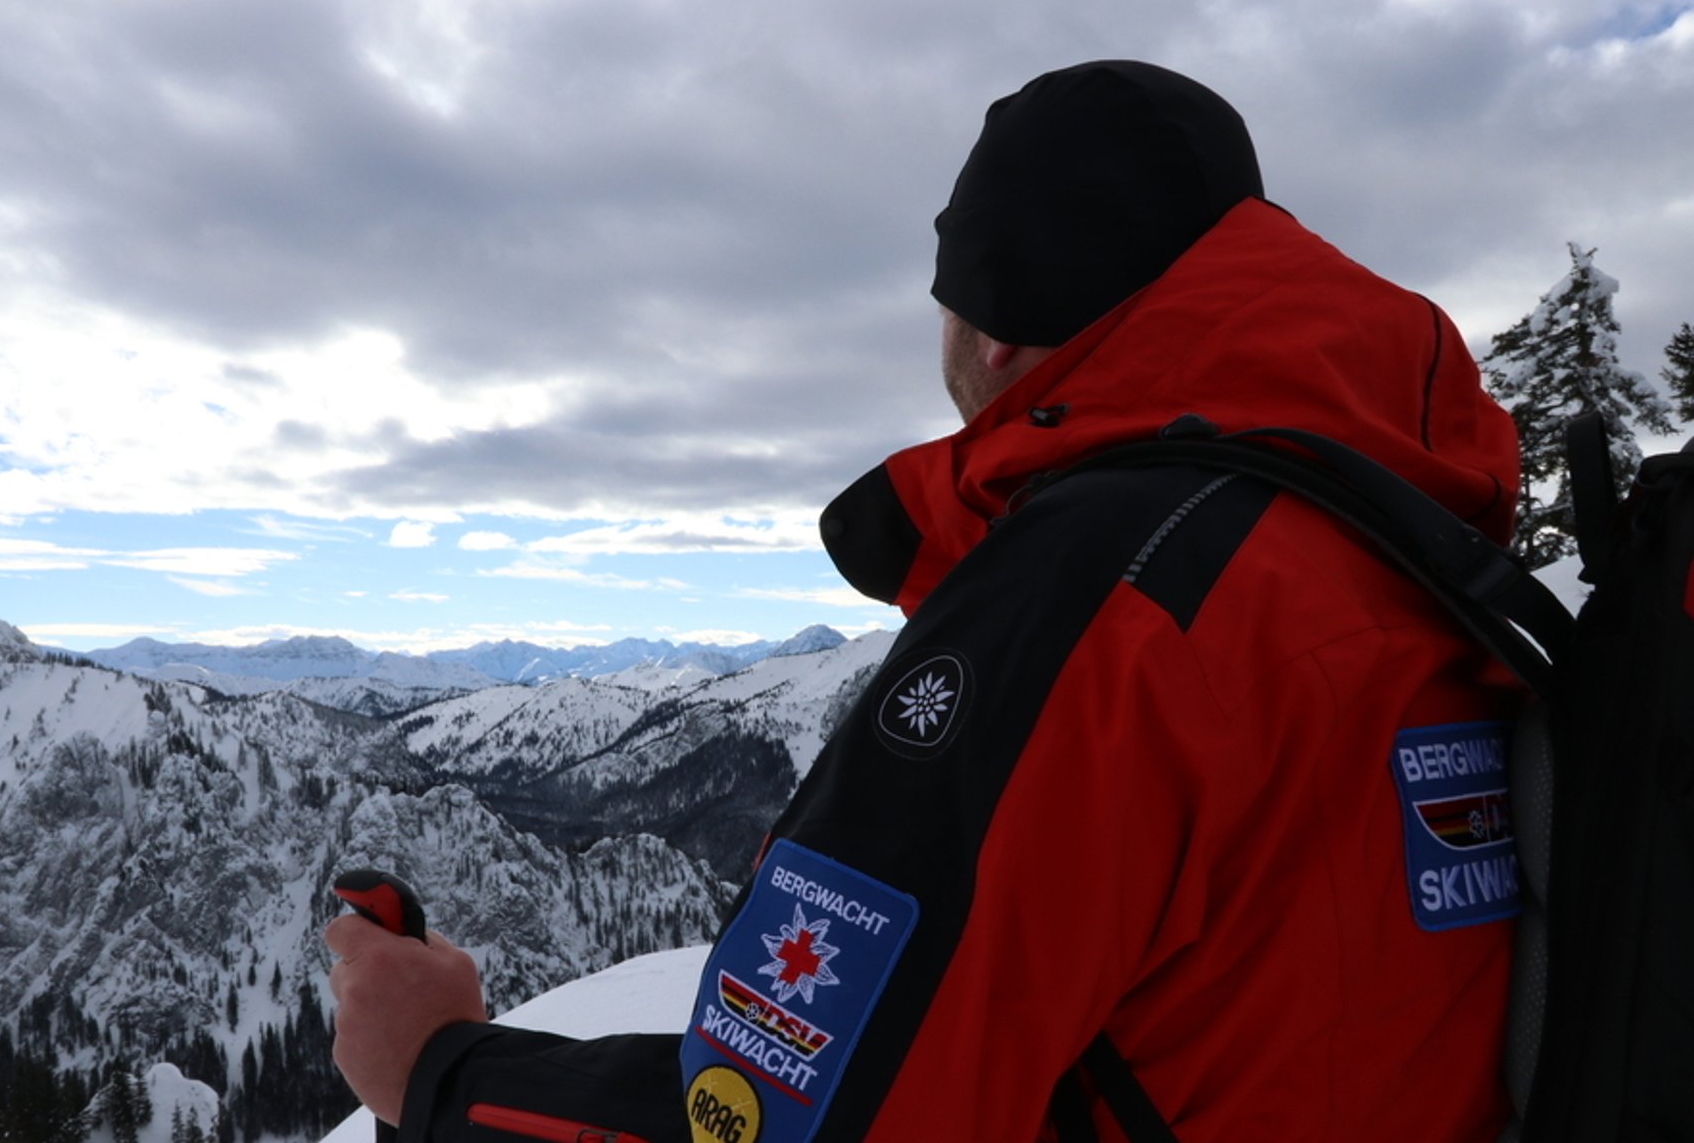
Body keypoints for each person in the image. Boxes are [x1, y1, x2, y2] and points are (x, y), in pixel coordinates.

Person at [326, 60, 1523, 1142]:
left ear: (992, 326)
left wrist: (433, 1069)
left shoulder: (1097, 608)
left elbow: (767, 1121)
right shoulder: (1403, 554)